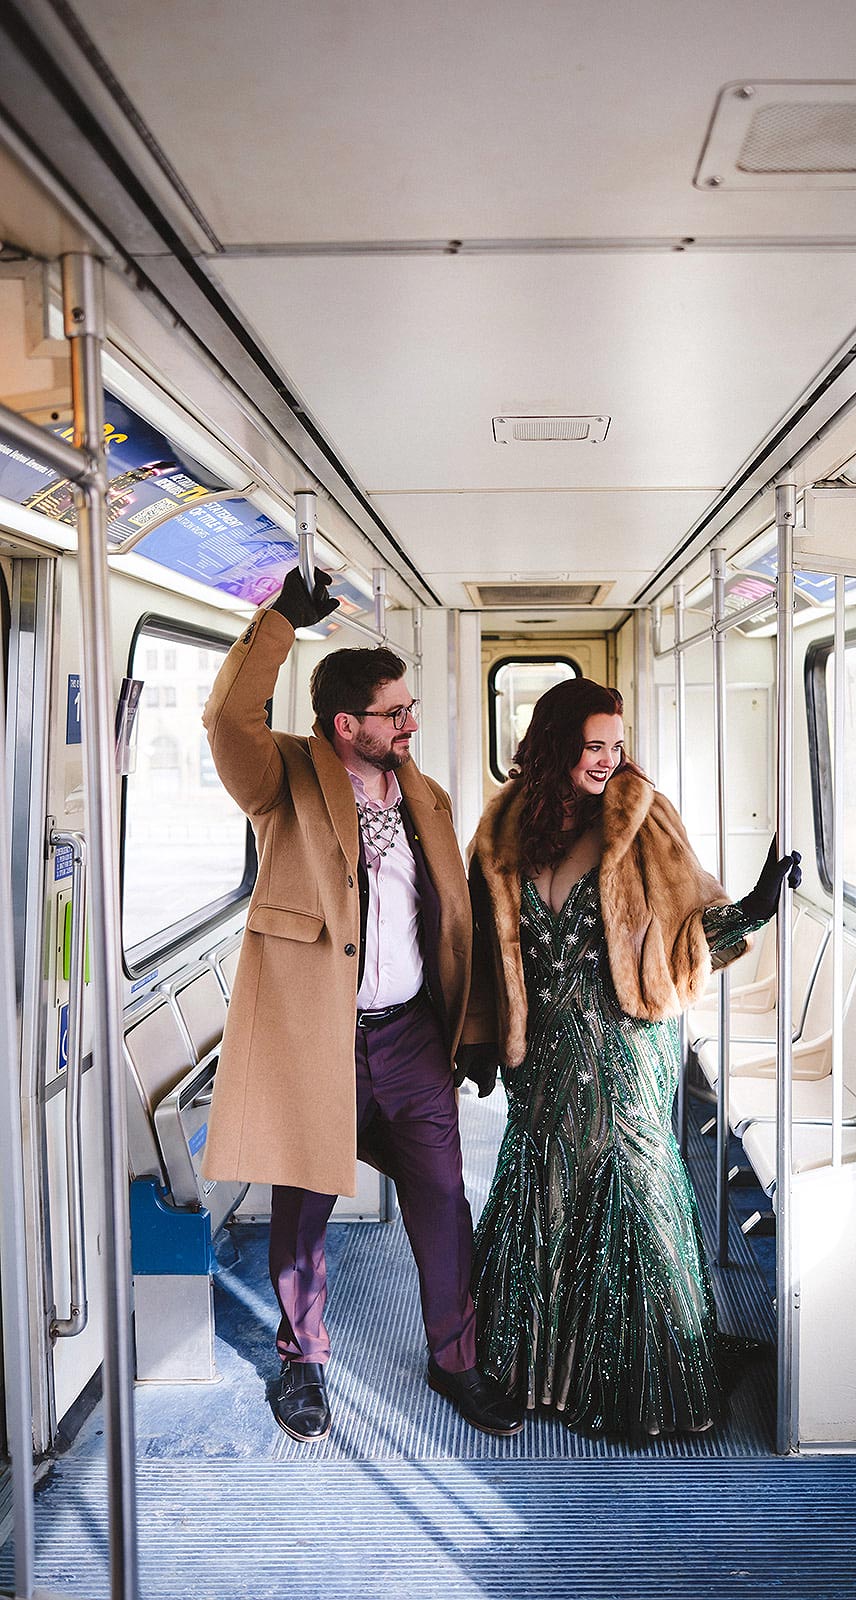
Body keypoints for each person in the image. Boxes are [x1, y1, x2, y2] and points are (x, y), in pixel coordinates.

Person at [202, 566, 521, 1442]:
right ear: (346, 724)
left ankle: (454, 1358)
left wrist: (473, 1030)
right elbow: (228, 720)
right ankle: (302, 1360)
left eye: (409, 709)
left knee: (442, 1198)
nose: (410, 724)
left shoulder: (426, 797)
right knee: (304, 1205)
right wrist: (278, 623)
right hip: (320, 1038)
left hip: (412, 1035)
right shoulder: (284, 780)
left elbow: (450, 922)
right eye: (394, 713)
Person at [464, 677, 800, 1439]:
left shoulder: (643, 818)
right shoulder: (500, 827)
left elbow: (688, 931)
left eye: (616, 746)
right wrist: (477, 1039)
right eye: (593, 746)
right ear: (553, 746)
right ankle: (539, 1368)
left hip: (626, 1041)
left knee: (634, 1181)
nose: (608, 761)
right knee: (541, 1180)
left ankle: (644, 1376)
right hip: (538, 1048)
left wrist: (753, 908)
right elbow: (480, 945)